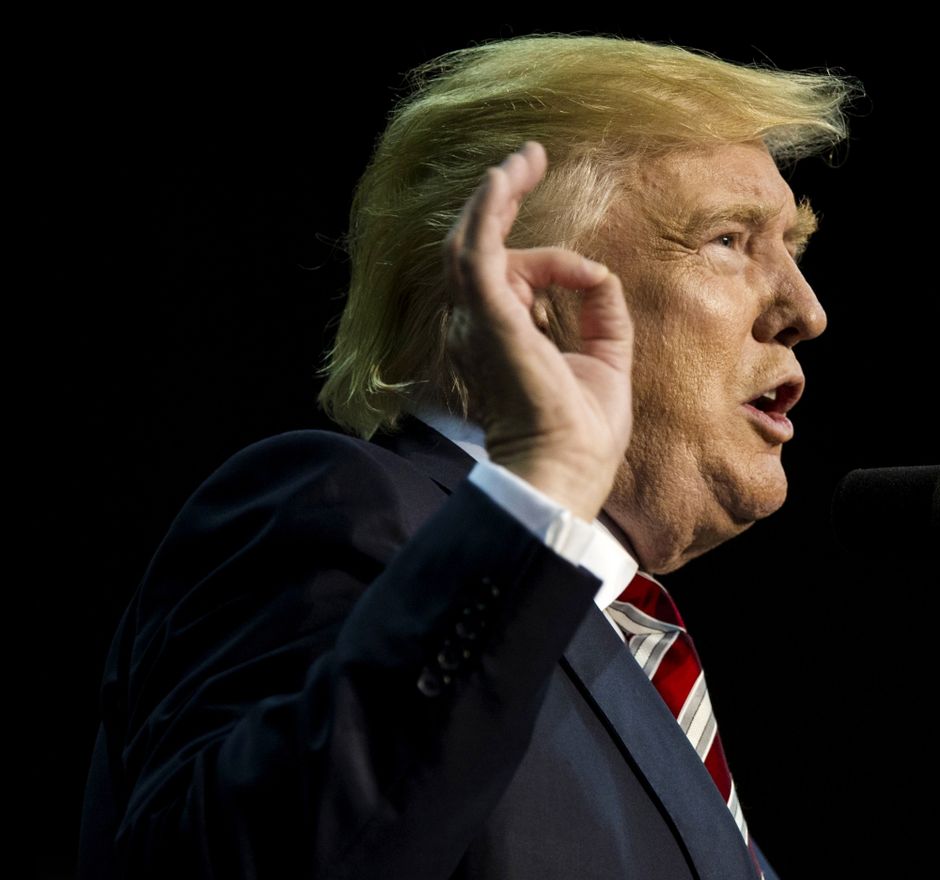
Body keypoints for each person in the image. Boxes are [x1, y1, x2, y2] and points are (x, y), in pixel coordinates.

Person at [78, 34, 856, 879]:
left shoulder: (620, 643)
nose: (803, 310)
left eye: (795, 248)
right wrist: (542, 491)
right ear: (536, 287)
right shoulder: (344, 511)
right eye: (729, 240)